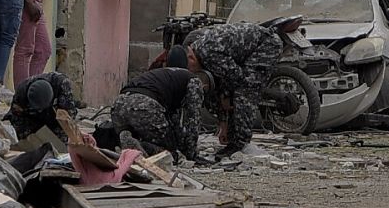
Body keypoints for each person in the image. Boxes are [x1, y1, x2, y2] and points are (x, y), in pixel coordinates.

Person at [186, 22, 282, 159]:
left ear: (191, 57)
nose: (192, 71)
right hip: (249, 50)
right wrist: (223, 122)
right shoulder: (202, 52)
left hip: (266, 46)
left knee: (245, 90)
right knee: (234, 92)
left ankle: (241, 144)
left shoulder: (207, 54)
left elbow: (236, 76)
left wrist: (226, 96)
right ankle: (233, 140)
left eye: (190, 68)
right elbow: (222, 82)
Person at [110, 47, 203, 161]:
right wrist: (190, 153)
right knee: (168, 153)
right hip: (144, 106)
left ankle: (127, 141)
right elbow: (192, 120)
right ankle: (141, 146)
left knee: (149, 132)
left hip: (119, 104)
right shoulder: (193, 80)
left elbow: (172, 119)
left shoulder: (159, 74)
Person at [5, 72, 79, 142]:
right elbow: (17, 121)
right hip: (33, 118)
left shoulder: (61, 83)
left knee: (64, 142)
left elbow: (69, 116)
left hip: (54, 116)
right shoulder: (21, 95)